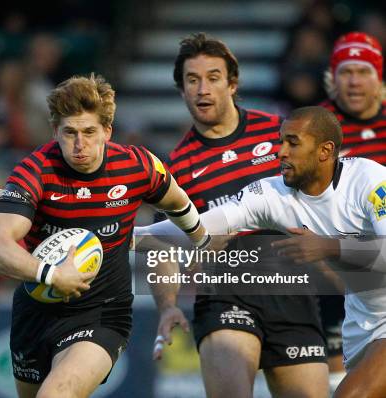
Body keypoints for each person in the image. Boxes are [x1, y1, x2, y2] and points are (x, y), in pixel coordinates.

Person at [0, 74, 210, 398]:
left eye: (89, 132)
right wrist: (53, 275)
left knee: (56, 394)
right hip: (36, 313)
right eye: (69, 133)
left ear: (107, 131)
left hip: (102, 312)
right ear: (54, 132)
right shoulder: (35, 171)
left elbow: (178, 202)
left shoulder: (137, 165)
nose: (79, 145)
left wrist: (203, 242)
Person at [137, 106, 386, 397]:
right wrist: (129, 238)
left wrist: (326, 245)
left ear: (324, 150)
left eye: (293, 143)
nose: (280, 152)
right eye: (281, 141)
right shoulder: (271, 194)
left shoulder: (370, 180)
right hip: (363, 324)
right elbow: (201, 227)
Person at [151, 33, 328, 398]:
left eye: (213, 77)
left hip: (293, 292)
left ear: (232, 84)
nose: (203, 89)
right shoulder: (176, 167)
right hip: (226, 291)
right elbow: (161, 242)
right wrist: (167, 306)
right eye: (192, 80)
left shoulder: (279, 131)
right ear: (181, 90)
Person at [318, 31, 385, 389]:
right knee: (339, 384)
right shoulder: (315, 129)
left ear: (379, 78)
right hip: (333, 276)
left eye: (364, 71)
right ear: (333, 78)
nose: (355, 81)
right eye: (346, 72)